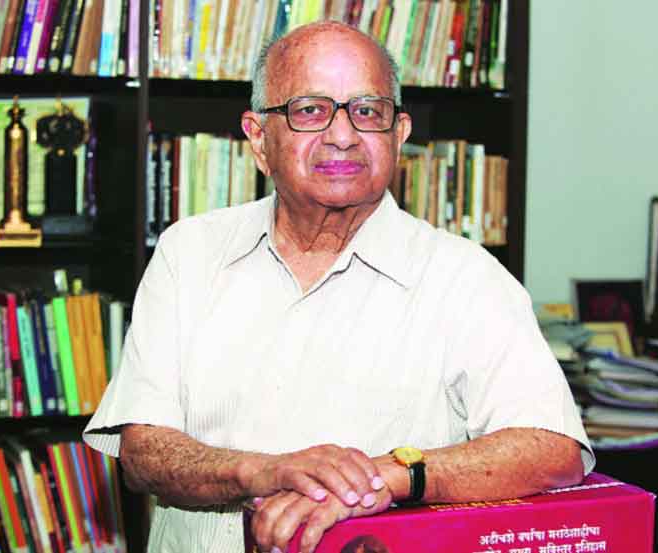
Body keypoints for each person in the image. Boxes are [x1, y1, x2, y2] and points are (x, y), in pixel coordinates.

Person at [83, 21, 595, 553]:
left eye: (368, 111)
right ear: (258, 138)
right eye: (310, 110)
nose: (343, 135)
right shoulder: (189, 253)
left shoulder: (465, 277)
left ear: (399, 134)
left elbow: (551, 447)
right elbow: (143, 453)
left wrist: (387, 477)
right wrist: (263, 472)